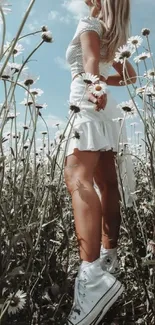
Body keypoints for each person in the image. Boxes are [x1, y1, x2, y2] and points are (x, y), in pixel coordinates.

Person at [63, 0, 137, 324]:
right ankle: (110, 259)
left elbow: (91, 59)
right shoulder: (112, 34)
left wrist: (93, 84)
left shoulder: (90, 25)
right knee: (107, 182)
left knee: (77, 175)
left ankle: (92, 282)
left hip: (86, 100)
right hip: (105, 108)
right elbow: (130, 75)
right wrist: (103, 83)